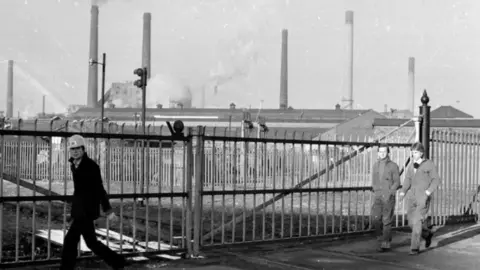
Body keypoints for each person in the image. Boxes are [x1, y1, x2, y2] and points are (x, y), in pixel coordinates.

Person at [60, 134, 127, 270]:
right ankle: (118, 262)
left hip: (86, 211)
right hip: (80, 211)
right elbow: (79, 191)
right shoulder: (74, 165)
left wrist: (108, 211)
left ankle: (66, 268)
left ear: (84, 149)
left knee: (70, 241)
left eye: (78, 148)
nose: (75, 151)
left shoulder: (91, 166)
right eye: (72, 149)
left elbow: (99, 190)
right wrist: (73, 211)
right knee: (91, 243)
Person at [399, 142, 440, 255]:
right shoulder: (412, 165)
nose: (413, 154)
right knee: (411, 223)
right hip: (412, 196)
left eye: (416, 152)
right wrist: (403, 192)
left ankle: (414, 248)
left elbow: (436, 180)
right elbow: (407, 179)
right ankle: (427, 234)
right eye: (412, 152)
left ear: (421, 153)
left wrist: (428, 192)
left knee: (417, 222)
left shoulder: (429, 164)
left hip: (423, 197)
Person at [371, 143, 401, 252]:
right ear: (378, 153)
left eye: (384, 151)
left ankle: (385, 243)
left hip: (388, 196)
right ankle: (383, 237)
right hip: (378, 196)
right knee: (375, 218)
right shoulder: (375, 165)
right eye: (380, 151)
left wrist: (390, 192)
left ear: (388, 152)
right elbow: (374, 180)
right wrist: (375, 189)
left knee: (386, 220)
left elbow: (397, 182)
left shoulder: (393, 165)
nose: (382, 153)